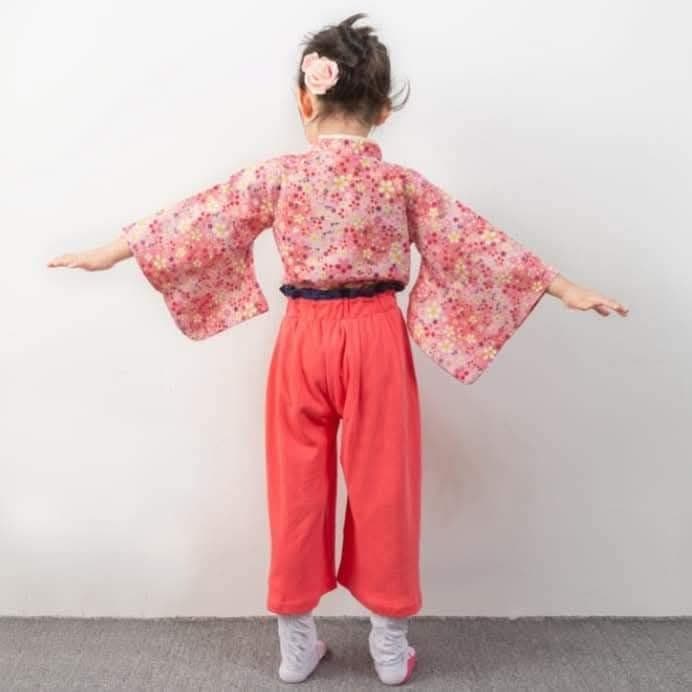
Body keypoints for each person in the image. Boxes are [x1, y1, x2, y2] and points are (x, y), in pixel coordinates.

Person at [47, 12, 629, 686]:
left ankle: (296, 643)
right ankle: (390, 647)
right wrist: (563, 287)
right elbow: (475, 242)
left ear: (305, 100)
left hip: (304, 337)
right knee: (386, 485)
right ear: (382, 111)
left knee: (295, 485)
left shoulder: (278, 176)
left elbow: (199, 217)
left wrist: (110, 252)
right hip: (376, 334)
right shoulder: (401, 184)